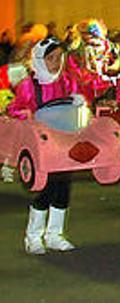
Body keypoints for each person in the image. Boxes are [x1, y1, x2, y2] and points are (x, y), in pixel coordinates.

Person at [8, 38, 84, 255]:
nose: (56, 62)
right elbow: (16, 108)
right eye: (51, 58)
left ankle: (55, 234)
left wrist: (79, 100)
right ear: (40, 59)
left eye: (60, 57)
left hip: (64, 140)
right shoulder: (29, 85)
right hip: (42, 145)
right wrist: (26, 114)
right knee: (45, 189)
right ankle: (33, 236)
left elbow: (78, 100)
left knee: (63, 189)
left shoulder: (67, 81)